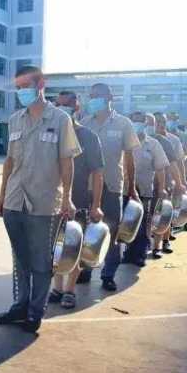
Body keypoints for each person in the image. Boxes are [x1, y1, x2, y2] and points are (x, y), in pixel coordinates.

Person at [0, 66, 81, 332]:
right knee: (19, 258)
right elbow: (9, 161)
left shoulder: (60, 119)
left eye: (25, 86)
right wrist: (1, 195)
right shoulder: (15, 120)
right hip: (14, 200)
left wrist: (67, 198)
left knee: (42, 261)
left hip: (45, 202)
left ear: (41, 83)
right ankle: (19, 306)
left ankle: (35, 311)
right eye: (18, 87)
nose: (21, 92)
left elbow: (67, 162)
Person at [80, 83, 140, 291]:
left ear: (109, 97)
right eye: (91, 96)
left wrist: (132, 187)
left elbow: (130, 159)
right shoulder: (84, 123)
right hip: (87, 186)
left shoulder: (123, 124)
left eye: (97, 96)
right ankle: (85, 269)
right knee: (86, 230)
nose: (93, 99)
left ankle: (108, 274)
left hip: (114, 185)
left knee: (112, 231)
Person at [50, 91, 104, 309]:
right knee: (55, 247)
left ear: (77, 108)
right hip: (51, 201)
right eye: (59, 105)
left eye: (67, 105)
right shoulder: (51, 132)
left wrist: (97, 205)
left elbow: (98, 173)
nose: (62, 108)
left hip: (79, 200)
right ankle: (56, 287)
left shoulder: (88, 137)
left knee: (75, 246)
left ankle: (69, 290)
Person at [122, 112, 169, 265]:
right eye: (134, 121)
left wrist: (161, 188)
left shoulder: (153, 144)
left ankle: (140, 255)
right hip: (124, 190)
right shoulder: (124, 141)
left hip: (144, 191)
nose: (137, 124)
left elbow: (161, 168)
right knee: (127, 224)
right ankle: (128, 254)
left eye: (141, 121)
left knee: (143, 224)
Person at [154, 112, 187, 250]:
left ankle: (162, 243)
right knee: (152, 215)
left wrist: (182, 181)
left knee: (165, 212)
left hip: (167, 181)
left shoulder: (173, 140)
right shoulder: (145, 138)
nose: (160, 124)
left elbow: (179, 162)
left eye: (163, 121)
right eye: (157, 122)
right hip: (148, 182)